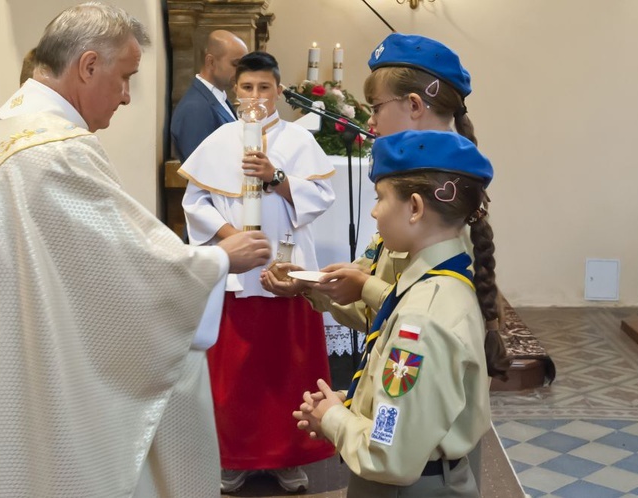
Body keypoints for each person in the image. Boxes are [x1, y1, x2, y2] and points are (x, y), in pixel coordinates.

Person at [0, 3, 271, 497]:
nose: (127, 96)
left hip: (1, 360)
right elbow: (130, 273)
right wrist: (217, 260)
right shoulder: (55, 151)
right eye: (125, 77)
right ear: (87, 65)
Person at [294, 130, 509, 497]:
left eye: (380, 198)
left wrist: (333, 418)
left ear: (414, 207)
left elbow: (389, 456)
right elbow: (416, 409)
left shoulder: (423, 319)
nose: (375, 211)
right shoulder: (436, 285)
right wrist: (350, 405)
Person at [178, 51, 336, 493]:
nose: (255, 96)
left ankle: (289, 456)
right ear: (235, 92)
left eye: (264, 87)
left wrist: (277, 177)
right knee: (236, 372)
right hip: (235, 276)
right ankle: (235, 457)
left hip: (288, 271)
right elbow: (196, 202)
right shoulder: (220, 139)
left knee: (288, 368)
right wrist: (232, 239)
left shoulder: (298, 141)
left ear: (279, 92)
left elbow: (321, 196)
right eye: (246, 88)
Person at [262, 33, 478, 334]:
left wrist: (366, 287)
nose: (370, 122)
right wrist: (310, 284)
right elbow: (373, 293)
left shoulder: (442, 189)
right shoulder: (414, 176)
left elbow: (432, 311)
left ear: (414, 105)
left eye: (376, 108)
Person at [170, 29, 248, 162]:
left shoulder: (219, 97)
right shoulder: (194, 108)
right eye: (236, 64)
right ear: (211, 62)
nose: (242, 72)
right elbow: (202, 167)